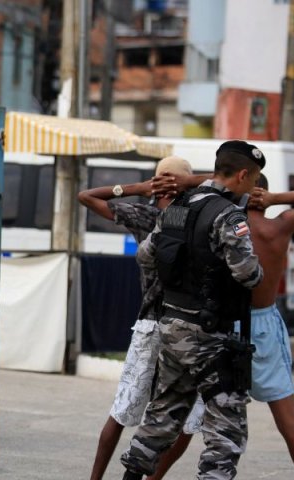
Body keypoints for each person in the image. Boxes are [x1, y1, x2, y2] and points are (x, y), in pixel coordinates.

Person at [120, 140, 265, 479]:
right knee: (226, 432)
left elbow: (145, 255)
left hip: (171, 325)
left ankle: (130, 476)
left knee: (164, 413)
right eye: (254, 179)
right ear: (243, 175)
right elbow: (248, 274)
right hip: (210, 335)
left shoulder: (177, 208)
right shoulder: (228, 216)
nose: (254, 187)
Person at [78, 156, 208, 480]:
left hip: (150, 325)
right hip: (190, 328)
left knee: (121, 411)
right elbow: (230, 184)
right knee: (187, 419)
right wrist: (188, 184)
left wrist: (136, 187)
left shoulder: (147, 216)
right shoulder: (199, 219)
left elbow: (87, 196)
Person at [242, 177, 294, 464]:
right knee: (287, 418)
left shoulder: (222, 225)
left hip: (224, 326)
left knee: (192, 419)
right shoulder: (279, 226)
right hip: (263, 325)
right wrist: (276, 198)